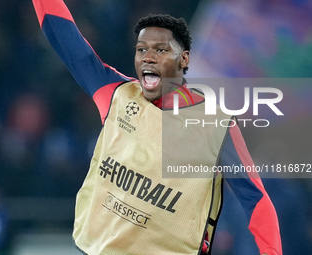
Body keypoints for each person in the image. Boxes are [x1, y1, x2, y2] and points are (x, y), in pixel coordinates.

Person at [32, 1, 282, 254]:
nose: (148, 57)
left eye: (161, 50)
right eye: (142, 49)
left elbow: (257, 200)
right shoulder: (116, 93)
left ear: (183, 59)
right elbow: (64, 35)